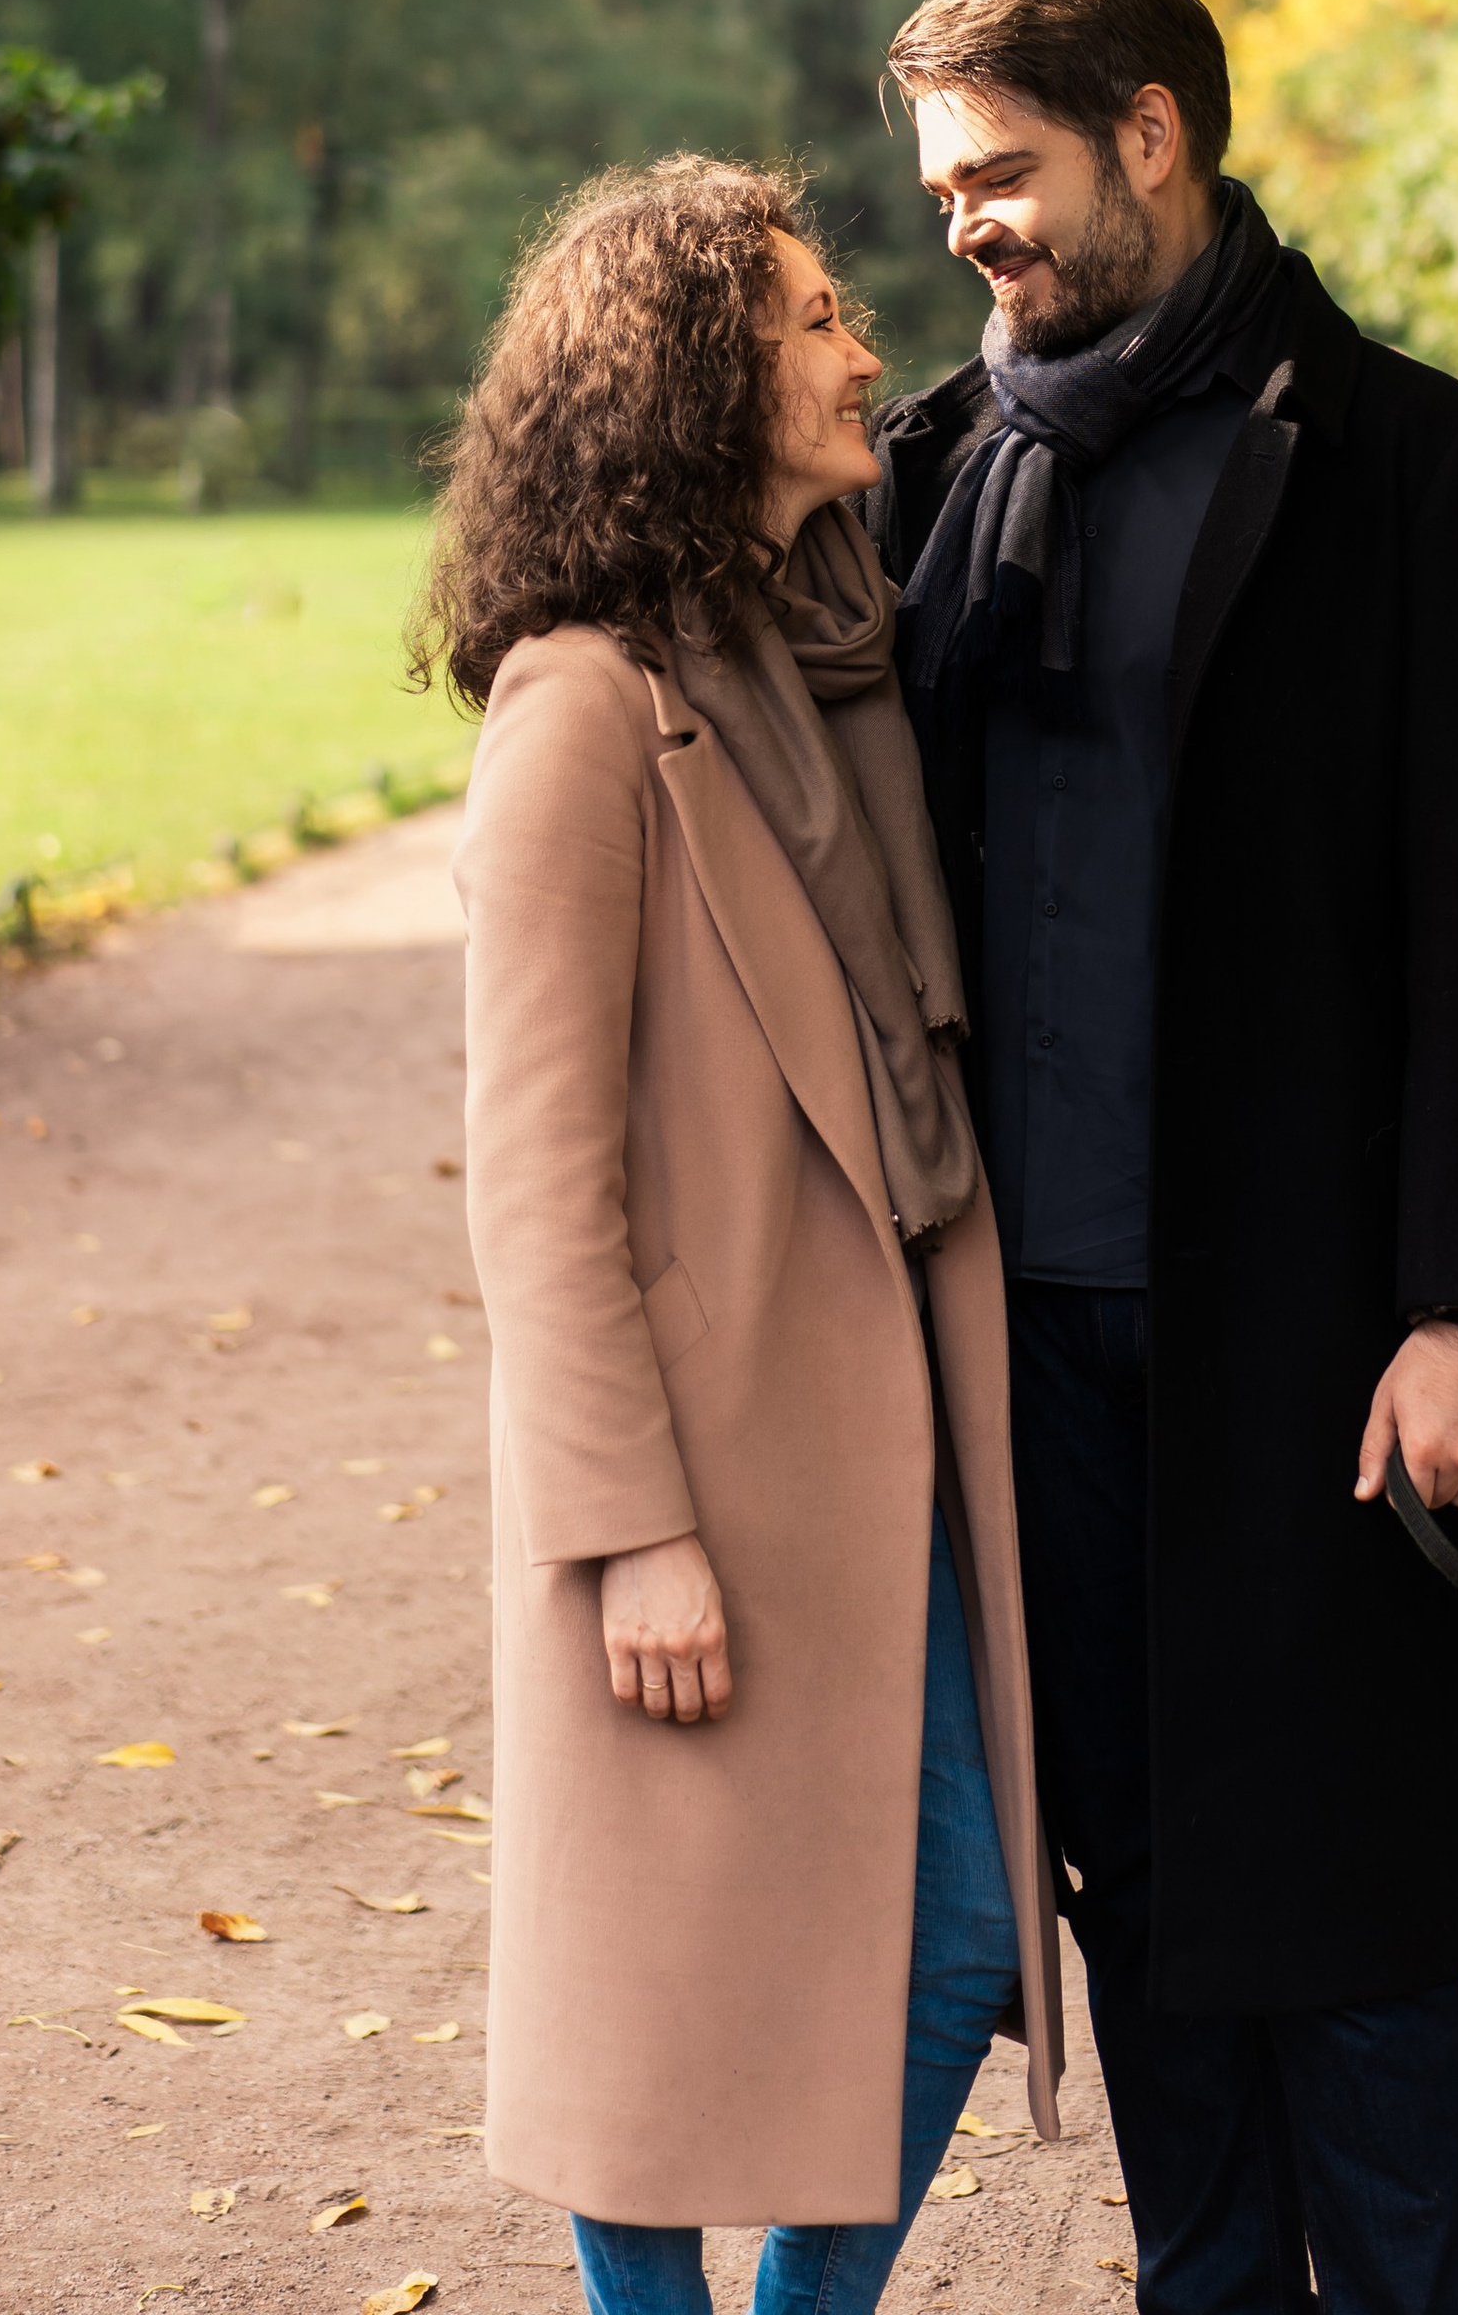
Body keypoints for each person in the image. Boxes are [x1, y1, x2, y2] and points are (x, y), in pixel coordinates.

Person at [865, 0, 1458, 2315]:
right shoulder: (929, 483)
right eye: (943, 184)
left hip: (1314, 1336)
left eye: (1003, 171)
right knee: (1142, 1918)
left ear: (1150, 131)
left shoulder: (1420, 470)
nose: (965, 223)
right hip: (1020, 1343)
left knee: (1354, 1934)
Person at [419, 156, 1060, 2315]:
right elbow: (532, 1178)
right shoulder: (579, 708)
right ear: (692, 378)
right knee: (648, 1992)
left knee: (958, 1928)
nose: (858, 347)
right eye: (804, 316)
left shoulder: (809, 658)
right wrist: (631, 1529)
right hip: (697, 1465)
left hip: (867, 1436)